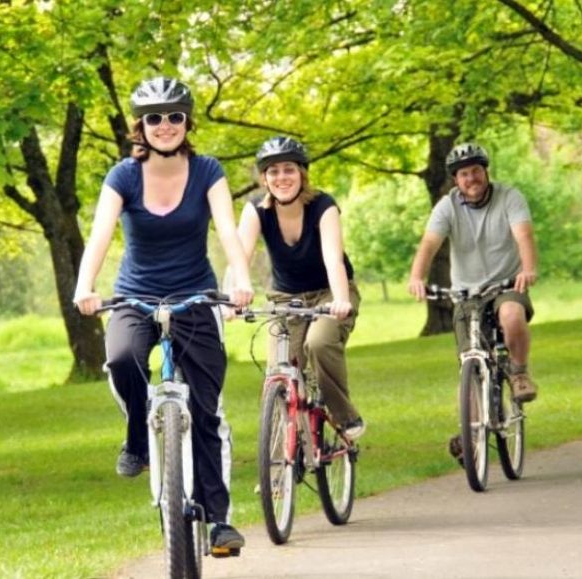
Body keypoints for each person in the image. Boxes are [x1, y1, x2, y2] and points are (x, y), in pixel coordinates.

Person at [73, 76, 253, 551]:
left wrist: (240, 278)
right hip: (135, 296)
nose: (165, 125)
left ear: (187, 121)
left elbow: (228, 231)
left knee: (206, 410)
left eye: (175, 116)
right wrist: (84, 286)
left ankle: (218, 521)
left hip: (195, 296)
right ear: (141, 126)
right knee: (122, 358)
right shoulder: (123, 176)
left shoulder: (208, 170)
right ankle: (137, 438)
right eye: (155, 118)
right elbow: (100, 234)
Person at [407, 143, 538, 462]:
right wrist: (417, 277)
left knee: (511, 316)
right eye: (464, 174)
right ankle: (472, 433)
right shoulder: (447, 207)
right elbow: (429, 244)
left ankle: (519, 373)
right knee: (470, 363)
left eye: (476, 171)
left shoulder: (509, 197)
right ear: (456, 180)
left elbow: (523, 235)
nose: (471, 178)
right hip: (467, 293)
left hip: (506, 283)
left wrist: (528, 268)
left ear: (485, 171)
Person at [233, 136, 365, 439]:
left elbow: (334, 260)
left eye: (289, 169)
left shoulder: (323, 205)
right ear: (264, 178)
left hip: (329, 292)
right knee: (279, 373)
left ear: (302, 173)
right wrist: (233, 297)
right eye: (273, 171)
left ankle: (344, 415)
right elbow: (240, 258)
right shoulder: (256, 210)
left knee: (318, 343)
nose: (282, 177)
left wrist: (341, 300)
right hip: (286, 298)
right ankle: (280, 467)